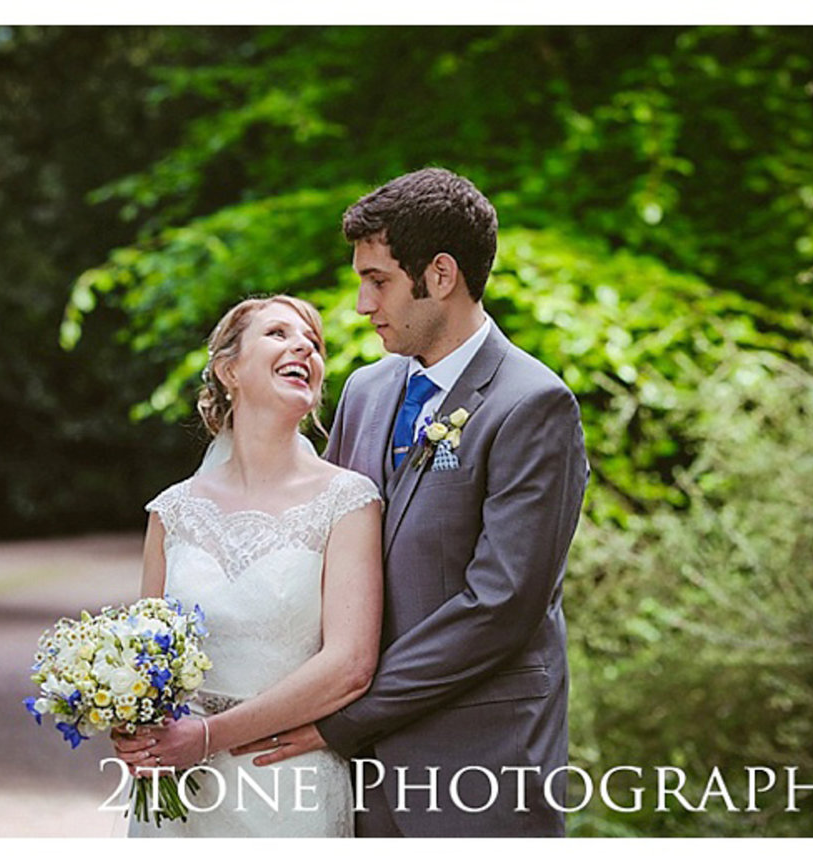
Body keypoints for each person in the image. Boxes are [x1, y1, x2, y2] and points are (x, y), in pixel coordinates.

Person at [231, 168, 588, 837]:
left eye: (378, 279)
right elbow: (315, 557)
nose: (363, 304)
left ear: (442, 274)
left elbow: (499, 607)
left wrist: (343, 712)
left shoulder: (532, 405)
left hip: (478, 766)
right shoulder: (365, 391)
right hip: (353, 776)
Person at [117, 294, 384, 837]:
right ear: (228, 369)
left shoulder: (349, 500)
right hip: (180, 791)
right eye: (279, 334)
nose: (304, 346)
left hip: (286, 779)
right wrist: (131, 725)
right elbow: (145, 660)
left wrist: (211, 736)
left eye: (313, 342)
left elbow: (350, 664)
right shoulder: (172, 512)